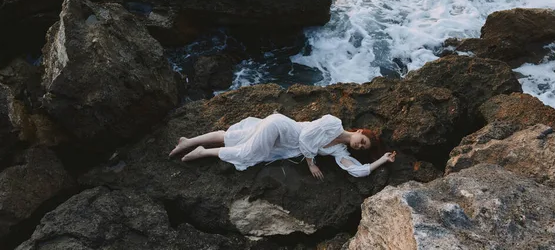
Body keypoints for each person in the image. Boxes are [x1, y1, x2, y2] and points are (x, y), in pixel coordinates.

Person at [169, 113, 396, 179]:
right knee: (248, 152)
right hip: (282, 127)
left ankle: (189, 141)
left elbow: (356, 170)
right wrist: (310, 163)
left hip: (282, 145)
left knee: (235, 136)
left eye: (363, 149)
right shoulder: (333, 122)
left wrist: (381, 160)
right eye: (363, 141)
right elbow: (306, 138)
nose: (359, 146)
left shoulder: (338, 150)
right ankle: (203, 152)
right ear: (359, 132)